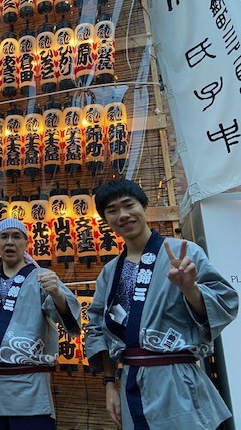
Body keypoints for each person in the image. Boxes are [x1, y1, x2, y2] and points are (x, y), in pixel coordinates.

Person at [85, 179, 239, 430]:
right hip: (131, 381)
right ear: (105, 219)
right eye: (112, 210)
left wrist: (190, 288)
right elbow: (96, 327)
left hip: (177, 380)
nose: (123, 215)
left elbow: (224, 302)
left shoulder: (184, 252)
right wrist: (110, 384)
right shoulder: (110, 271)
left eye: (129, 205)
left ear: (144, 206)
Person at [0, 217, 82, 430]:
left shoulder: (43, 277)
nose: (10, 242)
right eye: (4, 237)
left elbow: (68, 320)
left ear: (26, 243)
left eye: (17, 236)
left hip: (30, 383)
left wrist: (57, 294)